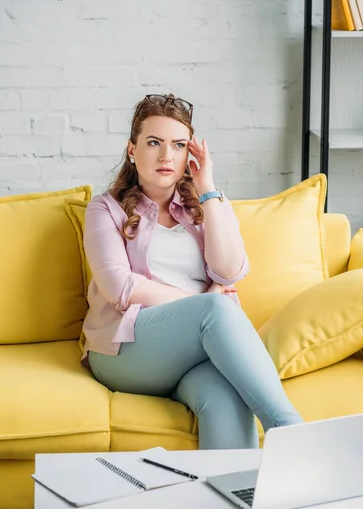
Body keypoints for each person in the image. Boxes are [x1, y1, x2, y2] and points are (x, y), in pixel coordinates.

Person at [83, 93, 303, 450]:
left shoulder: (206, 203)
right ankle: (293, 434)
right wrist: (202, 303)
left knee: (227, 402)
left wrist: (207, 190)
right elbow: (120, 288)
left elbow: (229, 271)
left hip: (191, 352)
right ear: (132, 150)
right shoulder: (104, 210)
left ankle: (231, 499)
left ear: (190, 154)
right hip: (124, 350)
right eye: (154, 142)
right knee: (217, 308)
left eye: (178, 145)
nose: (166, 156)